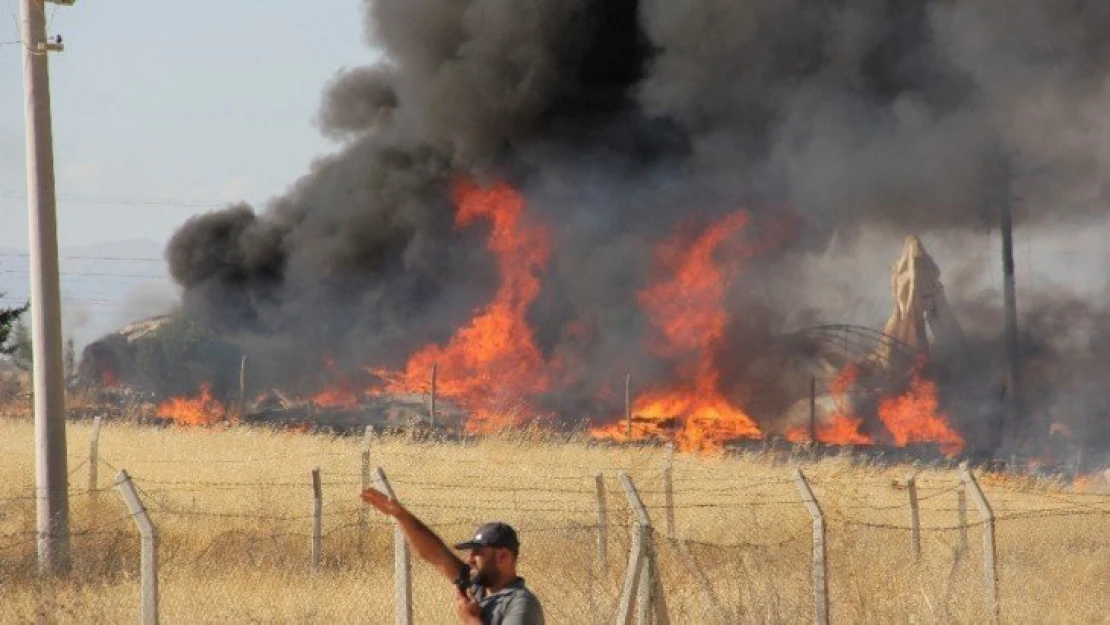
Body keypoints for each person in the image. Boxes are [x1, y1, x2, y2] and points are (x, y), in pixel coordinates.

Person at [361, 487, 545, 625]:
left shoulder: (521, 603)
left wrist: (470, 620)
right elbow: (436, 554)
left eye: (478, 554)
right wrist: (401, 515)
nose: (469, 559)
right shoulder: (477, 587)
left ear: (503, 557)